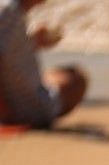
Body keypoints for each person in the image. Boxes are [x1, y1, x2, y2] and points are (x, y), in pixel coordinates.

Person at [0, 0, 86, 128]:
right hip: (28, 109)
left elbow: (9, 50)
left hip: (20, 104)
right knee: (77, 79)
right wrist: (5, 111)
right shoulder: (9, 11)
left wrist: (33, 41)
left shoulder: (12, 11)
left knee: (69, 77)